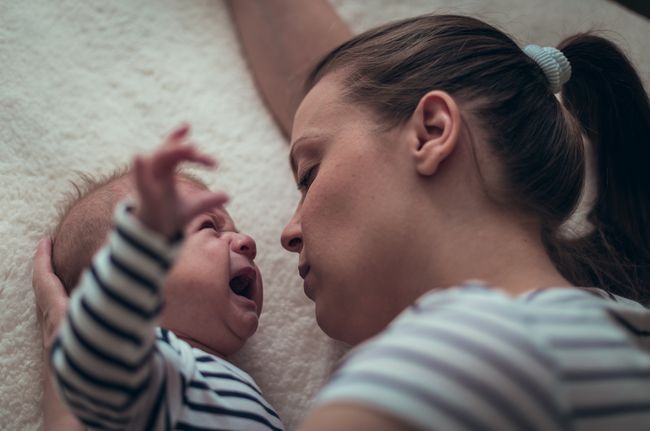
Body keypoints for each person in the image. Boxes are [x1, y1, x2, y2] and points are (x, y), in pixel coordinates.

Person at [35, 1, 650, 430]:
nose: (283, 232)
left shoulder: (444, 363)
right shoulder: (619, 325)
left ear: (433, 132)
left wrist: (69, 385)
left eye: (308, 175)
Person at [43, 124, 284, 430]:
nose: (246, 241)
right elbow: (92, 350)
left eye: (234, 231)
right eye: (209, 227)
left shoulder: (220, 377)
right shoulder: (154, 362)